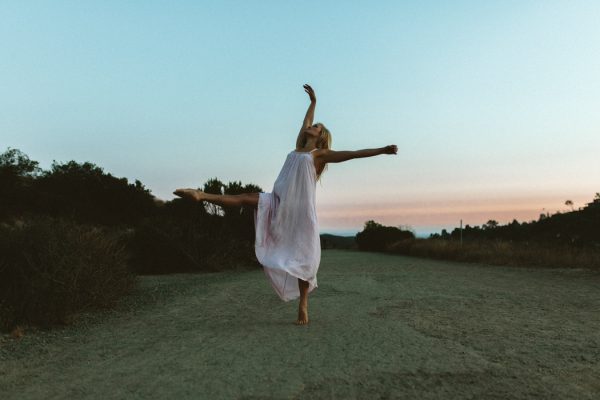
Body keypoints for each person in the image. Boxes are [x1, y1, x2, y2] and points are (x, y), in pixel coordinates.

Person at [174, 84, 397, 325]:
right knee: (248, 197)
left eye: (317, 127)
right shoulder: (297, 148)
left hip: (300, 211)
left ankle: (303, 304)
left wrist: (382, 150)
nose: (312, 126)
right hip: (278, 200)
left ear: (321, 137)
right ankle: (201, 195)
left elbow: (353, 153)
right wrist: (313, 102)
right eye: (313, 125)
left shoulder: (319, 155)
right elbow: (307, 120)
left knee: (304, 259)